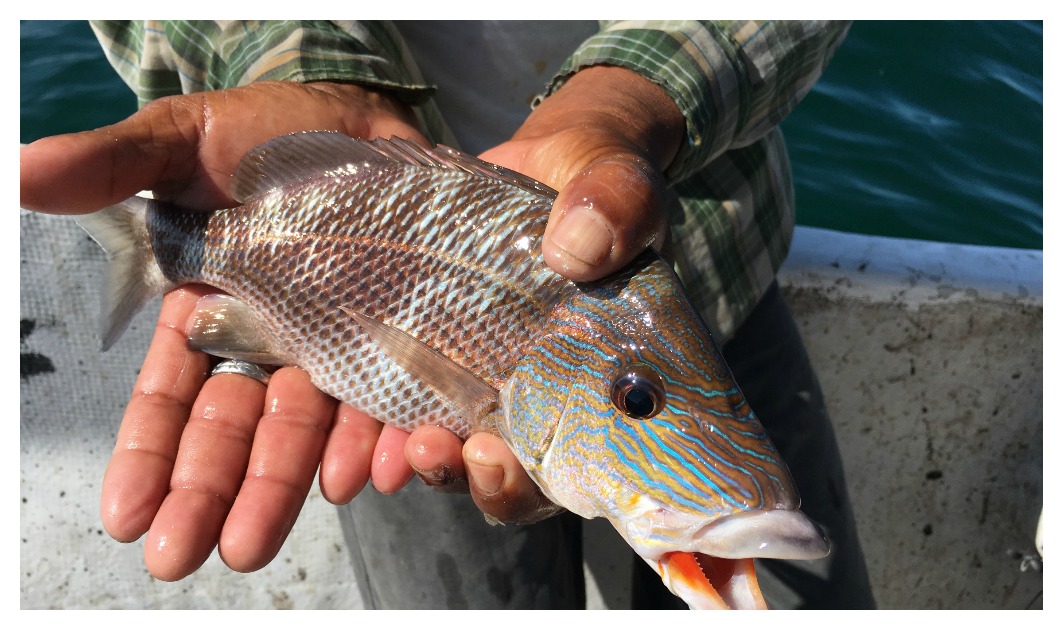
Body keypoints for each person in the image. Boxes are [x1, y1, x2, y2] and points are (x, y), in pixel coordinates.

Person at [19, 20, 874, 609]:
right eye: (635, 402)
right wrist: (297, 62)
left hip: (712, 239)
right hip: (392, 399)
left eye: (634, 399)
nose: (635, 402)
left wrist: (626, 103)